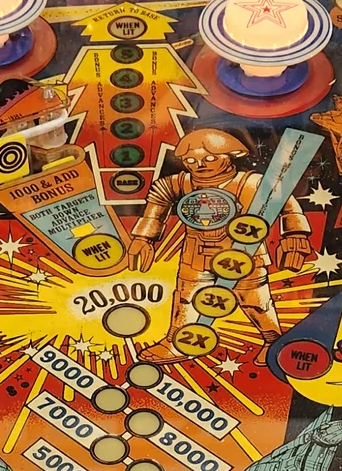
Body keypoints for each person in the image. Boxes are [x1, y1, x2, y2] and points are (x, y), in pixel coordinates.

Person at [130, 126, 310, 343]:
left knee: (254, 301)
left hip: (244, 251)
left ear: (232, 155)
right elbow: (158, 198)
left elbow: (287, 205)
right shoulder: (180, 182)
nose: (200, 165)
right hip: (195, 253)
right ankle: (176, 343)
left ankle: (274, 342)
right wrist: (143, 237)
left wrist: (295, 236)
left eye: (210, 158)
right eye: (191, 160)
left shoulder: (252, 183)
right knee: (186, 300)